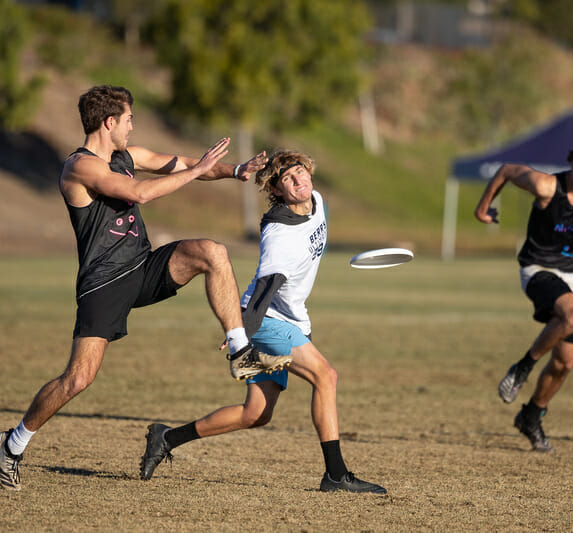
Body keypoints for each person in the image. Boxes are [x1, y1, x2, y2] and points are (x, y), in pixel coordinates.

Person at [0, 85, 291, 491]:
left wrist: (235, 170)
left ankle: (240, 349)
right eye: (129, 119)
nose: (133, 126)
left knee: (212, 253)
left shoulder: (125, 156)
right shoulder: (79, 168)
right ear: (109, 122)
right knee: (77, 379)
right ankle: (13, 443)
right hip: (104, 283)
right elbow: (139, 193)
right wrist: (197, 168)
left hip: (143, 265)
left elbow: (182, 163)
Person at [138, 150, 387, 494]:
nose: (299, 182)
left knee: (256, 413)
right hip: (264, 319)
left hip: (291, 317)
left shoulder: (315, 199)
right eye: (288, 179)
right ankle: (336, 475)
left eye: (301, 173)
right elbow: (266, 288)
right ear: (277, 190)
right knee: (326, 377)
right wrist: (239, 330)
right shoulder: (279, 234)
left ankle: (167, 437)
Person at [474, 133, 573, 452]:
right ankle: (522, 366)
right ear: (571, 160)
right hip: (539, 270)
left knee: (565, 363)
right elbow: (507, 170)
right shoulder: (548, 186)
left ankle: (531, 415)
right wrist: (483, 209)